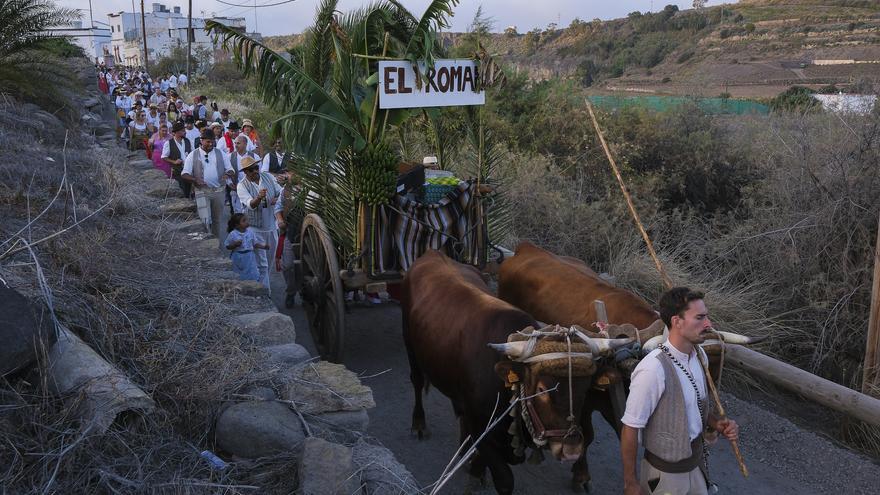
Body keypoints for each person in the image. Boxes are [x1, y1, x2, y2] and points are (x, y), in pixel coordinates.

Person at [620, 287, 739, 495]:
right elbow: (630, 427)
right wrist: (630, 482)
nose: (708, 324)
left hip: (696, 468)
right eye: (700, 318)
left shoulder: (699, 354)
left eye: (707, 317)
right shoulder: (653, 369)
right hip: (665, 477)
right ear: (676, 322)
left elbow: (693, 406)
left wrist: (716, 423)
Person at [182, 130, 235, 249]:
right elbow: (184, 173)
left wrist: (227, 174)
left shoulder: (220, 153)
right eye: (208, 142)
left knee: (217, 220)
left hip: (219, 190)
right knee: (204, 219)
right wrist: (195, 180)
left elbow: (231, 169)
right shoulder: (193, 154)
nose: (211, 144)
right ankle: (206, 245)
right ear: (201, 141)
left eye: (212, 142)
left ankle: (216, 245)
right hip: (202, 191)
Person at [237, 157, 281, 290]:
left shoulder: (267, 177)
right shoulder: (242, 185)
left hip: (271, 227)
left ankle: (260, 286)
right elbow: (250, 204)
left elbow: (280, 192)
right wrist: (259, 197)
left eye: (256, 168)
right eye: (251, 170)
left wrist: (276, 199)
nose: (255, 171)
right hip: (255, 230)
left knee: (269, 262)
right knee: (263, 264)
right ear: (245, 172)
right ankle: (265, 294)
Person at [274, 180, 304, 308]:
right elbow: (278, 207)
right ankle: (291, 292)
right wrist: (280, 220)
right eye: (288, 172)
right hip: (290, 231)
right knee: (288, 266)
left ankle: (305, 291)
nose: (289, 175)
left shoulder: (312, 188)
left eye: (291, 171)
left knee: (307, 266)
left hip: (309, 233)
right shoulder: (285, 189)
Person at [225, 213, 268, 282]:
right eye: (244, 221)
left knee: (252, 273)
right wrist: (235, 245)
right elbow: (227, 246)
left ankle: (253, 286)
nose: (247, 222)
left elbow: (255, 244)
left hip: (249, 257)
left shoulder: (250, 232)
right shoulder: (233, 234)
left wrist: (263, 246)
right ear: (237, 225)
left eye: (246, 220)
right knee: (238, 275)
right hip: (238, 257)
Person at [162, 120, 193, 189]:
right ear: (176, 132)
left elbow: (193, 153)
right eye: (182, 130)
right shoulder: (168, 143)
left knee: (189, 188)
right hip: (177, 171)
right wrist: (174, 162)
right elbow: (164, 157)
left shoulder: (188, 141)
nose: (184, 132)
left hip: (189, 170)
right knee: (181, 188)